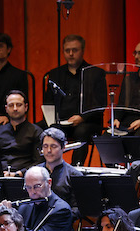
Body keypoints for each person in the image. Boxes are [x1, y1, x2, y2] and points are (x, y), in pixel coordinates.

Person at [42, 35, 107, 166]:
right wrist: (53, 118)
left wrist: (82, 117)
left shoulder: (95, 73)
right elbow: (48, 102)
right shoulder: (55, 74)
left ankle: (76, 169)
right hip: (61, 122)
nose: (71, 54)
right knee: (38, 129)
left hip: (87, 122)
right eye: (67, 50)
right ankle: (42, 167)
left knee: (81, 131)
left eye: (75, 50)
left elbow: (101, 104)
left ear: (82, 51)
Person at [0, 90, 44, 176]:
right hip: (0, 176)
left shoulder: (36, 131)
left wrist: (19, 174)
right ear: (6, 109)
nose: (15, 108)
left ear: (26, 107)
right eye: (11, 105)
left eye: (19, 105)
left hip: (27, 177)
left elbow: (40, 161)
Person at [36, 127, 81, 217]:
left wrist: (61, 218)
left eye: (53, 146)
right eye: (45, 146)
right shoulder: (35, 172)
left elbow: (78, 208)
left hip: (62, 223)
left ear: (63, 147)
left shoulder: (75, 175)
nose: (48, 150)